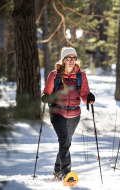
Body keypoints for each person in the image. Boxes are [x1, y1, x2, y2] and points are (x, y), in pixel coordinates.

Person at [41, 47, 95, 181]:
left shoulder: (80, 75)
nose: (71, 61)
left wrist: (88, 97)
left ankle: (57, 171)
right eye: (68, 58)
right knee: (64, 141)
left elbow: (84, 93)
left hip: (74, 114)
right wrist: (45, 97)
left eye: (73, 58)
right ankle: (66, 173)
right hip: (57, 112)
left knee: (66, 143)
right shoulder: (54, 75)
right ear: (63, 60)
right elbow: (46, 92)